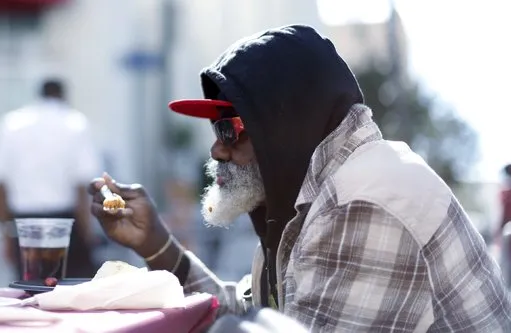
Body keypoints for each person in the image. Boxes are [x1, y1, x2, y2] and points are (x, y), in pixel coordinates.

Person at [89, 25, 511, 331]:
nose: (217, 148)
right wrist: (157, 244)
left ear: (283, 122)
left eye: (229, 128)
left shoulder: (363, 200)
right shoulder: (312, 197)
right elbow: (255, 316)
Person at [0, 79, 101, 279]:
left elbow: (0, 184)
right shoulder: (75, 123)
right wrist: (88, 233)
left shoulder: (11, 124)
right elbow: (80, 184)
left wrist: (5, 236)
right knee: (71, 291)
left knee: (29, 290)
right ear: (63, 95)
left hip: (24, 223)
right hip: (65, 222)